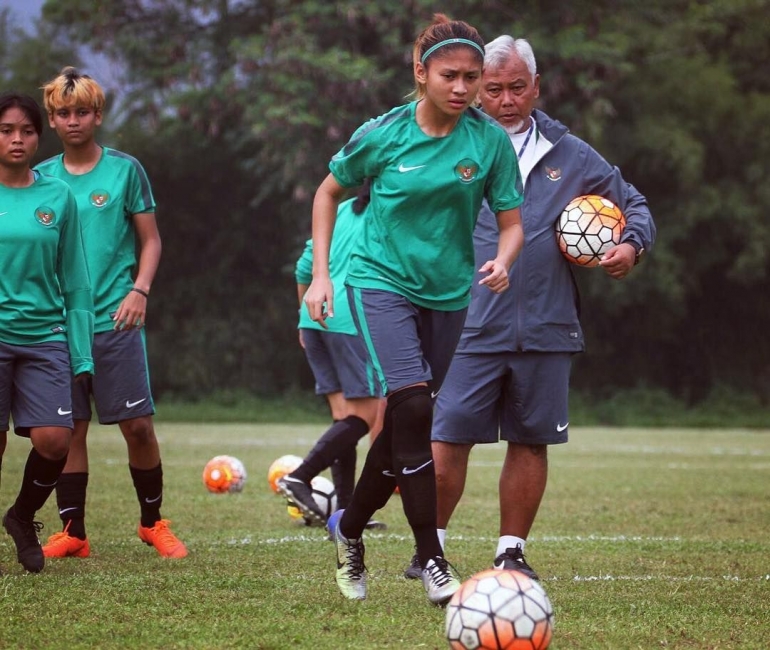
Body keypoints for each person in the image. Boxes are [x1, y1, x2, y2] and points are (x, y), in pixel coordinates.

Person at [402, 35, 656, 582]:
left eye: (518, 87)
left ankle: (511, 550)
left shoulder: (572, 153)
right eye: (493, 89)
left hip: (547, 323)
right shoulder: (445, 142)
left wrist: (629, 245)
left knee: (531, 440)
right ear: (474, 90)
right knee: (448, 437)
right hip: (464, 323)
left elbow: (633, 203)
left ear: (536, 87)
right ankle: (432, 548)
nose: (506, 99)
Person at [304, 14, 525, 605]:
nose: (462, 88)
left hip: (449, 294)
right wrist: (322, 275)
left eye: (472, 78)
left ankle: (348, 529)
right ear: (420, 73)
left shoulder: (488, 142)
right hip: (379, 284)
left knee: (407, 421)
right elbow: (328, 191)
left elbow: (511, 223)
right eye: (450, 75)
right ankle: (431, 555)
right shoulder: (382, 134)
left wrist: (503, 260)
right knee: (414, 404)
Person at [36, 67, 187, 559]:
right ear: (52, 120)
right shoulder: (41, 180)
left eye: (82, 111)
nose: (73, 120)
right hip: (59, 327)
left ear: (97, 115)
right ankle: (74, 532)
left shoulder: (126, 170)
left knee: (138, 427)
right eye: (63, 113)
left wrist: (139, 290)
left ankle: (152, 522)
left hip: (116, 320)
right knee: (68, 431)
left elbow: (151, 240)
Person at [0, 92, 94, 573]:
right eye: (6, 130)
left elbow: (75, 278)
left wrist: (81, 352)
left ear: (39, 136)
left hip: (44, 336)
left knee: (55, 440)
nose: (17, 139)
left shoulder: (57, 195)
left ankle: (21, 517)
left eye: (27, 130)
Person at [277, 180, 387, 528]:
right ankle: (300, 476)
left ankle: (345, 512)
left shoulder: (338, 211)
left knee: (345, 420)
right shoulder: (388, 215)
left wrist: (304, 316)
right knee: (364, 419)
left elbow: (302, 268)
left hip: (315, 316)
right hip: (353, 318)